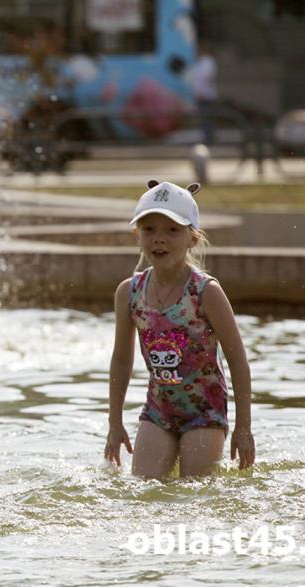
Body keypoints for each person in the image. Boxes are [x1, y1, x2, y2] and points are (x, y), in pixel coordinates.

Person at [104, 180, 255, 479]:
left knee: (194, 495)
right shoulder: (129, 293)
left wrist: (243, 428)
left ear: (193, 238)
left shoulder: (205, 292)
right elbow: (121, 360)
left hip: (204, 413)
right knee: (143, 491)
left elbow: (238, 361)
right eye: (149, 229)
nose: (159, 239)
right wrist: (115, 423)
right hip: (158, 411)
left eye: (172, 230)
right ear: (137, 235)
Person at [188, 41, 217, 145]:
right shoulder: (200, 62)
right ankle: (206, 138)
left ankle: (209, 139)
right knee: (203, 119)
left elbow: (204, 78)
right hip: (201, 95)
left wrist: (200, 93)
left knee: (206, 118)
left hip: (205, 95)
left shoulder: (208, 62)